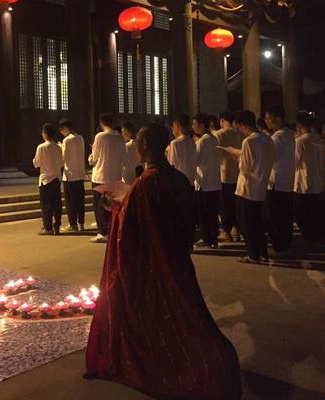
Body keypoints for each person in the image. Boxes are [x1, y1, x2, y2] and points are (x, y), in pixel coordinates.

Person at [85, 124, 241, 399]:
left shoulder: (145, 184)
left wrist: (117, 206)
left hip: (151, 266)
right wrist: (125, 203)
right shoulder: (178, 178)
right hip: (175, 258)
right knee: (186, 309)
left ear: (143, 148)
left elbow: (129, 232)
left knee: (159, 313)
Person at [232, 111, 275, 263]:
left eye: (240, 128)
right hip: (261, 186)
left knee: (248, 224)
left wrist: (237, 157)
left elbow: (244, 168)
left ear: (244, 125)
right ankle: (262, 252)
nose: (240, 131)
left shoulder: (249, 141)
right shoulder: (268, 139)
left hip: (247, 188)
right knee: (258, 223)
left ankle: (252, 254)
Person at [88, 114, 126, 243]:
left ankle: (103, 232)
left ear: (101, 123)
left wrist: (90, 158)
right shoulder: (120, 138)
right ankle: (113, 230)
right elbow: (124, 157)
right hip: (115, 176)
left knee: (100, 206)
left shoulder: (100, 136)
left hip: (101, 176)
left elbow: (94, 158)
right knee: (112, 205)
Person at [264, 105, 296, 257]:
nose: (266, 121)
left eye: (268, 118)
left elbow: (271, 157)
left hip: (276, 182)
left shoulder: (277, 137)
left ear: (278, 118)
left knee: (276, 217)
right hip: (288, 181)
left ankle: (279, 247)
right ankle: (285, 245)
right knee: (285, 217)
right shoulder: (290, 134)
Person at [294, 111, 325, 245]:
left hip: (303, 183)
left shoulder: (300, 141)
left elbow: (295, 162)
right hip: (318, 182)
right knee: (316, 213)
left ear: (299, 125)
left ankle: (309, 239)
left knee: (303, 214)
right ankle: (317, 238)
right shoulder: (320, 140)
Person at [193, 113, 222, 248]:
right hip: (215, 182)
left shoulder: (202, 141)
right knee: (213, 212)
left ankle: (206, 239)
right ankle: (214, 238)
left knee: (204, 213)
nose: (193, 127)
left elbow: (195, 160)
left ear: (202, 125)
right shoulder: (214, 139)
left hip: (204, 183)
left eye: (195, 124)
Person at [214, 110, 243, 242]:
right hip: (238, 173)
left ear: (222, 120)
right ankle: (236, 229)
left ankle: (226, 231)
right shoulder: (241, 133)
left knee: (225, 204)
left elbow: (216, 155)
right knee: (236, 204)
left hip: (224, 174)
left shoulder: (219, 134)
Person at [33, 123, 64, 235]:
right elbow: (61, 163)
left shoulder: (41, 147)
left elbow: (36, 163)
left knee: (46, 204)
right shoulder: (58, 147)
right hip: (56, 178)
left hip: (45, 179)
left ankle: (48, 227)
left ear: (45, 134)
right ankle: (57, 226)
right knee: (57, 204)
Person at [59, 119, 86, 232]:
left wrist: (60, 147)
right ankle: (81, 224)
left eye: (62, 130)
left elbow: (63, 158)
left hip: (70, 175)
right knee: (80, 201)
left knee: (70, 203)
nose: (62, 133)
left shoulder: (66, 140)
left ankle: (73, 225)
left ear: (65, 128)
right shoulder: (80, 138)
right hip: (80, 175)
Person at [166, 113, 197, 185]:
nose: (172, 129)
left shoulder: (175, 143)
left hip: (179, 182)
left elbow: (172, 165)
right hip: (191, 180)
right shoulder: (192, 141)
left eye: (173, 126)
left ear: (177, 125)